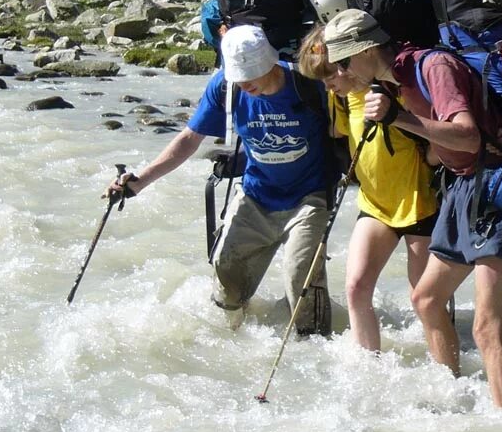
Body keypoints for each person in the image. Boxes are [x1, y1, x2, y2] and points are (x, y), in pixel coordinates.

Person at [323, 9, 502, 408]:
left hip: (500, 187)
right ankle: (453, 400)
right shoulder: (397, 81)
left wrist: (400, 119)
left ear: (368, 50)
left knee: (487, 329)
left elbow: (469, 136)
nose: (341, 70)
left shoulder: (434, 67)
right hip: (464, 190)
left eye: (344, 61)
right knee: (426, 300)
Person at [110, 24, 335, 336]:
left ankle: (314, 345)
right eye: (238, 76)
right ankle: (232, 338)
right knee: (225, 271)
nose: (244, 84)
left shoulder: (308, 85)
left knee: (301, 277)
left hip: (309, 196)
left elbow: (346, 130)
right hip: (257, 193)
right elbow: (190, 138)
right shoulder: (224, 87)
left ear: (269, 62)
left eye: (250, 74)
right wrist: (139, 182)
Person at [297, 26, 438, 352]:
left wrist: (431, 162)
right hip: (376, 204)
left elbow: (434, 134)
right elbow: (340, 135)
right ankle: (368, 365)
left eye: (332, 74)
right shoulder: (341, 100)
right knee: (357, 287)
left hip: (421, 203)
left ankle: (440, 371)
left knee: (426, 301)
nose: (328, 84)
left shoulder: (393, 93)